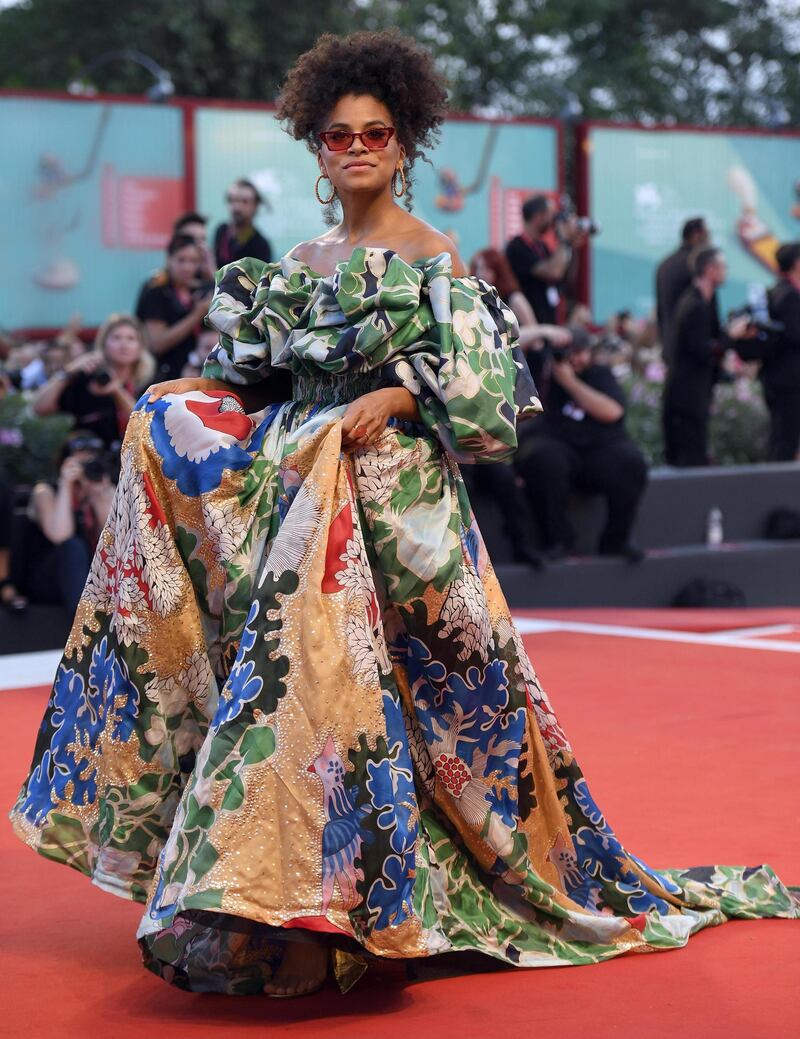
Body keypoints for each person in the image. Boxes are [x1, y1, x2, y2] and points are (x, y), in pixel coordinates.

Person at [9, 29, 798, 1004]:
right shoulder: (292, 264)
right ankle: (279, 902)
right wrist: (186, 395)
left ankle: (357, 900)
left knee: (420, 720)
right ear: (314, 144)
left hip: (391, 498)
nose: (354, 149)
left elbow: (483, 404)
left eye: (374, 132)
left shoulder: (433, 259)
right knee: (291, 685)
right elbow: (248, 381)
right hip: (299, 483)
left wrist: (391, 400)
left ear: (405, 140)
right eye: (336, 135)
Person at [515, 329, 648, 562]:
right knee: (543, 458)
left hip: (597, 448)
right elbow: (513, 338)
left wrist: (570, 382)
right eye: (569, 353)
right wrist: (545, 331)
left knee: (631, 462)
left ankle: (616, 540)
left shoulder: (598, 374)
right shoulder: (542, 370)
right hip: (557, 444)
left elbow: (612, 412)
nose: (575, 359)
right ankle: (557, 540)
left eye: (580, 353)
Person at [662, 248, 750, 467]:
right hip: (686, 397)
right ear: (710, 270)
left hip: (696, 392)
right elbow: (704, 350)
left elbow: (713, 339)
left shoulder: (707, 301)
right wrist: (731, 336)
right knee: (690, 459)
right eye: (723, 267)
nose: (726, 272)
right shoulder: (694, 305)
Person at [23, 431, 115, 612]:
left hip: (88, 579)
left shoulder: (99, 489)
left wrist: (99, 497)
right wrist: (66, 484)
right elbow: (60, 535)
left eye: (93, 456)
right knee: (72, 546)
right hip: (48, 579)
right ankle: (85, 618)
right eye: (81, 457)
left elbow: (114, 540)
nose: (88, 461)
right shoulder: (46, 492)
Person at [32, 314, 154, 449]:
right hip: (88, 459)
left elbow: (147, 429)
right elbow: (40, 409)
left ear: (140, 347)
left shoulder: (150, 384)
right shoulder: (86, 378)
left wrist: (117, 391)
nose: (123, 344)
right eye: (116, 338)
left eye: (131, 339)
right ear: (103, 345)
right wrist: (68, 372)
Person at [135, 234, 213, 382]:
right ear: (169, 260)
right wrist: (196, 316)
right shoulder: (156, 292)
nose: (187, 267)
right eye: (181, 260)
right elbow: (157, 344)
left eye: (193, 261)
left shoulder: (202, 290)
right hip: (165, 376)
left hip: (199, 375)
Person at [505, 195, 582, 328]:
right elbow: (554, 272)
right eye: (551, 215)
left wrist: (572, 245)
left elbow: (566, 276)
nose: (554, 220)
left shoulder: (542, 247)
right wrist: (563, 239)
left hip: (549, 324)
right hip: (530, 327)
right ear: (538, 216)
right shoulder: (517, 247)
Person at [655, 217, 709, 365]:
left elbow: (660, 310)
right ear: (697, 235)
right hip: (692, 352)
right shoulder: (696, 265)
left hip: (669, 346)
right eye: (708, 234)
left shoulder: (665, 264)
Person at [763, 242, 800, 460]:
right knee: (785, 439)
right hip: (787, 380)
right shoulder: (788, 296)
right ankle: (777, 491)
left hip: (781, 377)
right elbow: (794, 335)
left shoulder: (778, 291)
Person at [213, 178, 273, 267]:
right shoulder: (221, 231)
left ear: (255, 206)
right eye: (233, 200)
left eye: (245, 202)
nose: (237, 207)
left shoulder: (260, 246)